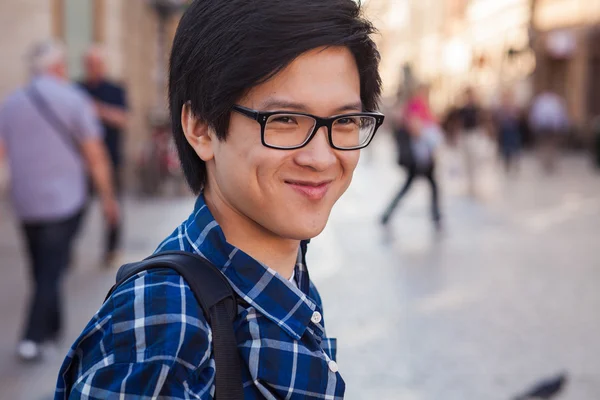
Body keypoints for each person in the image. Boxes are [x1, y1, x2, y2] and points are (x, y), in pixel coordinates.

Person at [55, 0, 383, 398]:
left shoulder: (285, 274)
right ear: (201, 128)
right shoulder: (162, 327)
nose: (320, 157)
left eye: (345, 121)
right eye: (283, 120)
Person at [0, 40, 118, 362]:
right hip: (64, 201)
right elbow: (95, 155)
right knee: (50, 270)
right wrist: (108, 197)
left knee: (41, 268)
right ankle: (32, 337)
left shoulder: (10, 103)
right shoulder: (74, 99)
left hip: (25, 202)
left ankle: (53, 329)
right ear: (58, 68)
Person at [79, 46, 129, 267]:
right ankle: (66, 249)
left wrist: (99, 110)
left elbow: (123, 119)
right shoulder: (76, 88)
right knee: (76, 206)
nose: (93, 68)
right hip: (82, 161)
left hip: (110, 158)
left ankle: (111, 249)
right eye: (90, 64)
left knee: (111, 206)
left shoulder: (114, 89)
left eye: (97, 64)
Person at [381, 85, 443, 229]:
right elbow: (416, 129)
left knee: (430, 187)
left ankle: (436, 216)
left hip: (425, 160)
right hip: (418, 159)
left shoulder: (418, 106)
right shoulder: (416, 106)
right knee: (412, 188)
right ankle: (387, 214)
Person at [528, 90, 569, 173]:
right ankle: (548, 161)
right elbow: (561, 115)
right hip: (549, 127)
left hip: (548, 127)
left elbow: (535, 114)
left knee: (548, 144)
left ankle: (548, 161)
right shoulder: (555, 101)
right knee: (548, 144)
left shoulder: (541, 101)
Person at [494, 89, 522, 174]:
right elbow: (497, 119)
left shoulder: (514, 107)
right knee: (506, 149)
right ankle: (507, 164)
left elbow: (519, 119)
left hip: (513, 130)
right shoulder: (501, 108)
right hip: (504, 131)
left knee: (515, 147)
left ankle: (515, 163)